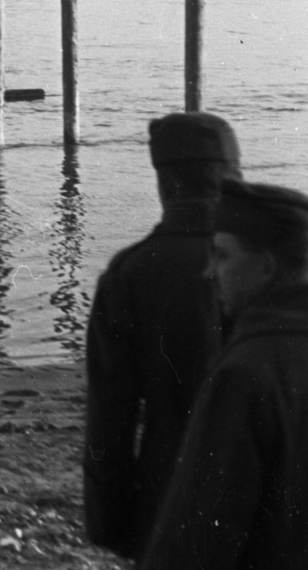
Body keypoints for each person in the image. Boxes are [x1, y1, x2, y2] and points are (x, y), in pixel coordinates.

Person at [83, 112, 241, 559]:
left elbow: (109, 421)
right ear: (233, 173)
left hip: (170, 493)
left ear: (163, 182)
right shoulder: (279, 262)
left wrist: (109, 523)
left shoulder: (131, 273)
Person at [140, 178, 308, 569]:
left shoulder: (247, 373)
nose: (208, 273)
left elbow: (197, 537)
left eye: (222, 256)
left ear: (265, 267)